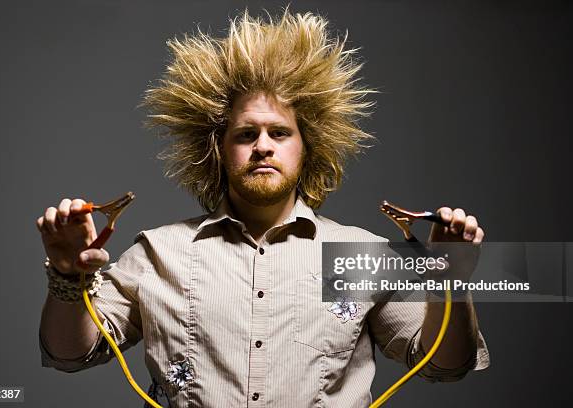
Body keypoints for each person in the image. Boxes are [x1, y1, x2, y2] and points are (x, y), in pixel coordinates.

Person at [36, 10, 489, 407]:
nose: (263, 147)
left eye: (280, 133)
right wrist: (67, 278)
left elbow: (446, 365)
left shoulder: (360, 255)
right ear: (218, 150)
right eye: (246, 134)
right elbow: (70, 354)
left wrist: (453, 278)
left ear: (307, 148)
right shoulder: (159, 252)